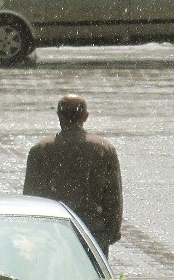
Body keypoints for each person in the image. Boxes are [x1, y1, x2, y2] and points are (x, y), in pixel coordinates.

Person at [24, 94, 123, 257]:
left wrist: (32, 234)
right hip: (92, 233)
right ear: (85, 117)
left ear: (59, 116)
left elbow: (30, 198)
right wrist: (108, 236)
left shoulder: (40, 150)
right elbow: (114, 199)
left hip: (51, 232)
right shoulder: (104, 149)